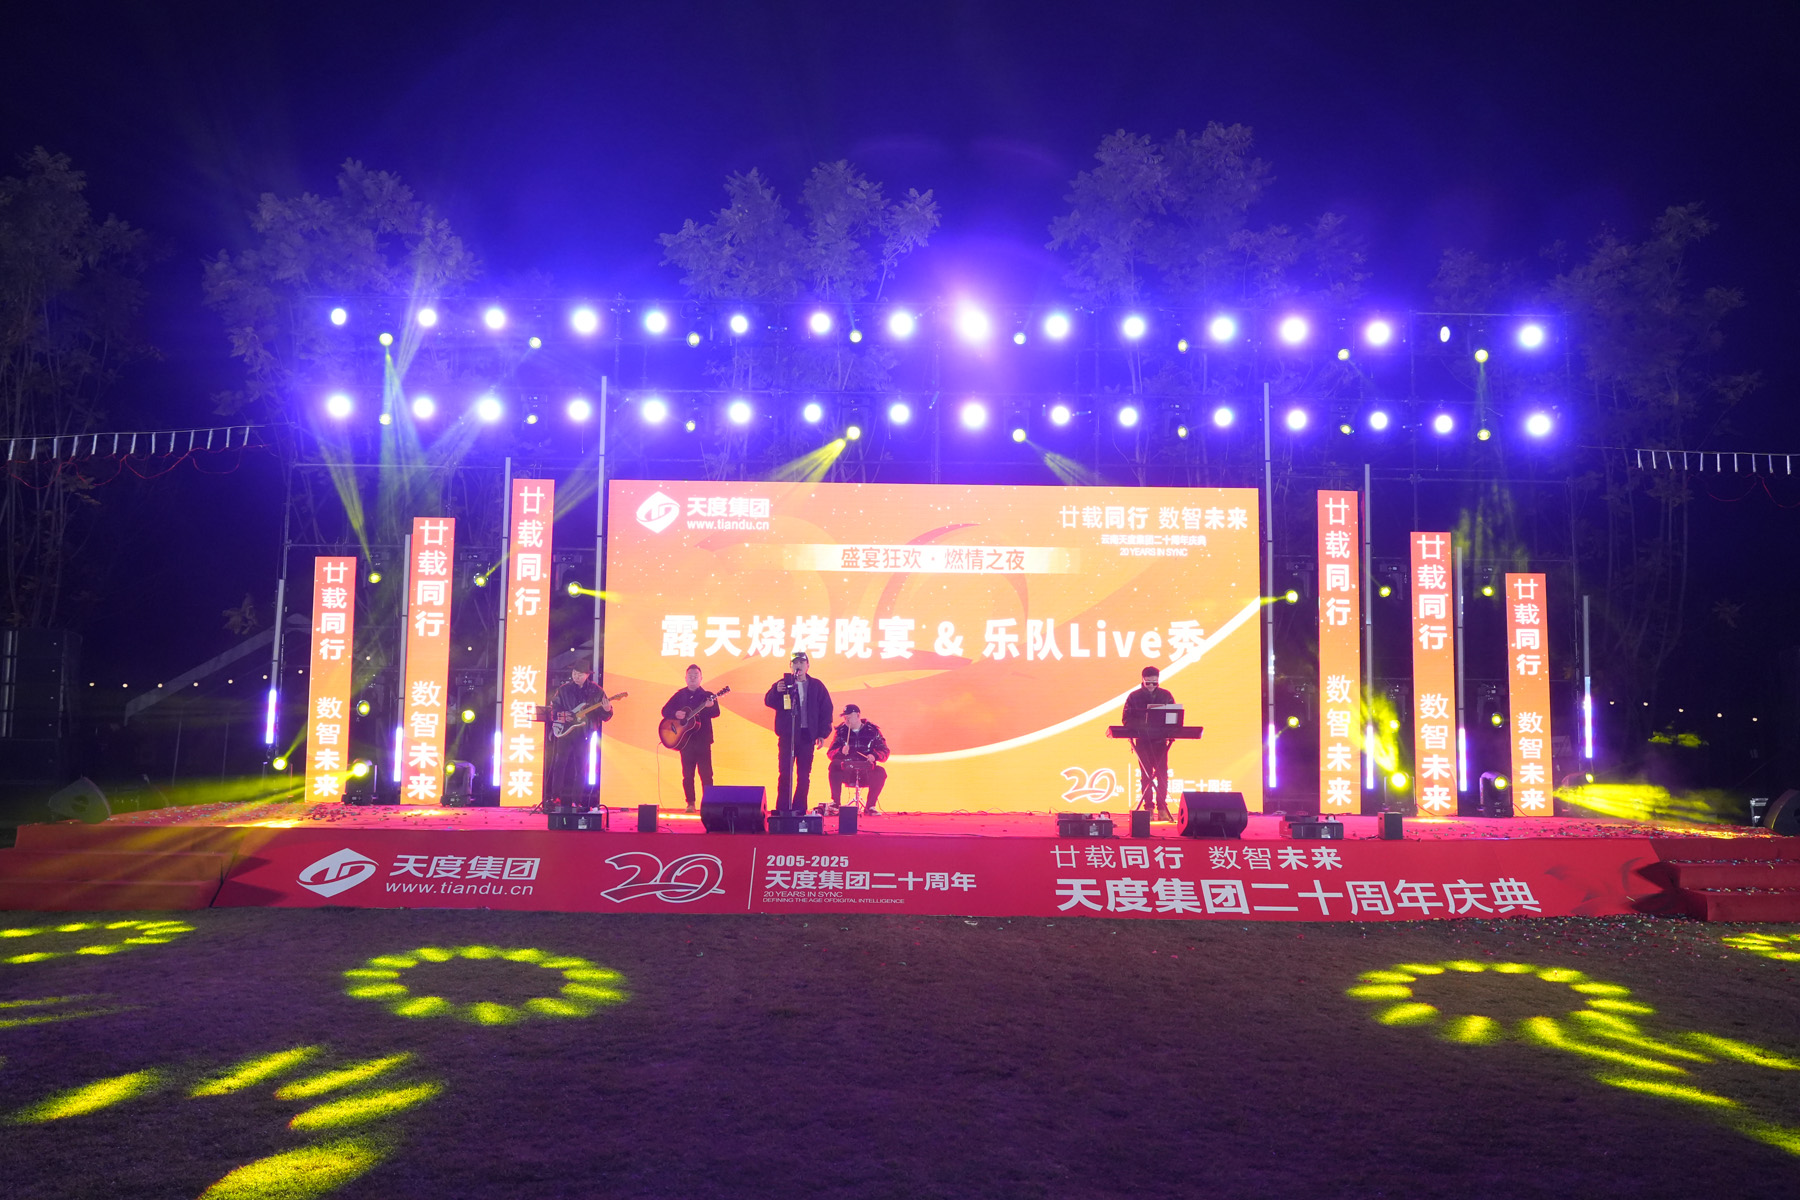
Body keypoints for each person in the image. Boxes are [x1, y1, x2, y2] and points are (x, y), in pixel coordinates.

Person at [763, 650, 832, 815]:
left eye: (801, 663)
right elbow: (769, 701)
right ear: (790, 666)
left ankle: (799, 808)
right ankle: (783, 809)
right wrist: (776, 691)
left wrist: (822, 733)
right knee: (785, 773)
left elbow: (826, 710)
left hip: (807, 736)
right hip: (787, 736)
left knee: (804, 775)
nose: (798, 666)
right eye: (795, 663)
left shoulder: (816, 686)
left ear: (808, 666)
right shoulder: (783, 683)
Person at [546, 658, 612, 809]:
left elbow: (605, 717)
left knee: (581, 767)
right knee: (559, 764)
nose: (576, 676)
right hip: (565, 732)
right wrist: (563, 715)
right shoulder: (563, 690)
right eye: (574, 673)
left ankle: (577, 800)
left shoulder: (596, 691)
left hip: (584, 733)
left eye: (580, 674)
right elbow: (553, 708)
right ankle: (555, 797)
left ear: (587, 675)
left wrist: (607, 710)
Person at [660, 664, 718, 811]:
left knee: (706, 774)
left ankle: (708, 803)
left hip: (703, 741)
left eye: (695, 676)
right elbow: (665, 710)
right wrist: (675, 714)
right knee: (687, 774)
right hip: (685, 742)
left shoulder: (708, 695)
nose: (693, 678)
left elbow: (716, 713)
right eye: (690, 676)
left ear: (701, 678)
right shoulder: (679, 695)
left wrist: (710, 706)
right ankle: (690, 803)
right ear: (685, 678)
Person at [1121, 664, 1176, 821]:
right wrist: (1142, 724)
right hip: (1143, 740)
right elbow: (1126, 719)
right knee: (1146, 775)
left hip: (1160, 740)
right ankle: (1149, 808)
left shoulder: (1166, 695)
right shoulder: (1134, 696)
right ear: (1143, 680)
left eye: (1154, 682)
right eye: (1148, 682)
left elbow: (1174, 716)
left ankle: (1162, 808)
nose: (1151, 686)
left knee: (1162, 774)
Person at [827, 703, 890, 814]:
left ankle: (870, 806)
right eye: (845, 717)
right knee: (834, 765)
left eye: (849, 716)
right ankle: (836, 803)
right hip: (847, 770)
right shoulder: (841, 732)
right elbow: (830, 753)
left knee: (880, 772)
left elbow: (885, 751)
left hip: (866, 770)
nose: (847, 719)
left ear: (858, 715)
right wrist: (840, 751)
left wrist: (874, 756)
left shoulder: (873, 731)